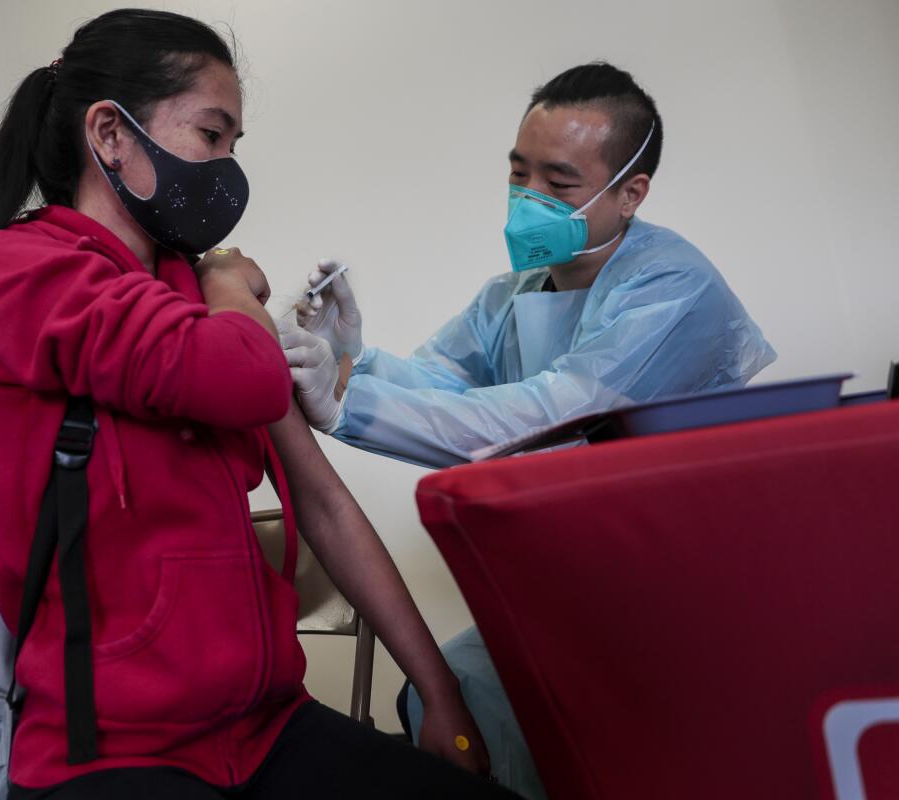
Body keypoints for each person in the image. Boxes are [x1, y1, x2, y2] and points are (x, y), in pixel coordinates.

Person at [0, 9, 518, 800]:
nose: (227, 169)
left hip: (266, 731)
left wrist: (441, 695)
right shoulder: (19, 273)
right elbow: (239, 375)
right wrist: (228, 274)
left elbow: (323, 503)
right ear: (110, 134)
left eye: (235, 145)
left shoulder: (193, 293)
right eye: (211, 135)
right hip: (111, 754)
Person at [282, 63, 776, 797]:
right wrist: (352, 358)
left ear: (631, 192)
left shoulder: (671, 291)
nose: (528, 200)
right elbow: (444, 386)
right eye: (519, 174)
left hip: (673, 606)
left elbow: (546, 416)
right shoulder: (512, 295)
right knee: (448, 706)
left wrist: (348, 402)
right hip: (565, 591)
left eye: (559, 182)